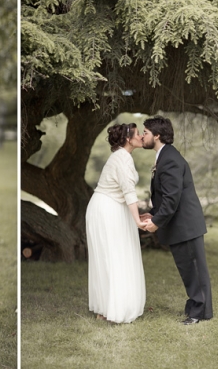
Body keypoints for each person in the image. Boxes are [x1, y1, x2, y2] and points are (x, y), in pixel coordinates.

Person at [141, 115, 213, 325]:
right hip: (182, 225)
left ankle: (198, 313)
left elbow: (173, 198)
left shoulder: (170, 159)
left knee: (194, 270)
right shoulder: (165, 156)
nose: (142, 136)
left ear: (157, 135)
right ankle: (196, 308)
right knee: (189, 270)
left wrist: (156, 222)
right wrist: (154, 213)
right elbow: (167, 195)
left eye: (145, 132)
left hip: (186, 225)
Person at [86, 123, 147, 324]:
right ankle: (112, 309)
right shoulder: (122, 158)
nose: (141, 137)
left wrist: (139, 214)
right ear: (128, 139)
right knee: (113, 257)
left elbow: (126, 192)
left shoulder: (121, 156)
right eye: (138, 134)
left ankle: (105, 308)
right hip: (107, 210)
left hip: (108, 207)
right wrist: (138, 220)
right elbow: (129, 193)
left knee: (111, 257)